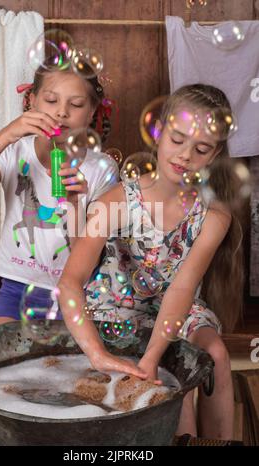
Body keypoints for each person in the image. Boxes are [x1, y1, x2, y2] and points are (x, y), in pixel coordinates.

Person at [57, 84, 244, 440]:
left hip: (176, 305)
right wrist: (96, 354)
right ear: (158, 132)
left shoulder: (213, 216)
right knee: (176, 400)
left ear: (214, 154)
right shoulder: (115, 200)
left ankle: (219, 441)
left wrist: (151, 358)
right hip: (115, 307)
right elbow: (69, 282)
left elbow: (182, 289)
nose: (185, 155)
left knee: (215, 352)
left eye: (201, 148)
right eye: (177, 139)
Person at [0, 62, 119, 331]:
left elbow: (88, 254)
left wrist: (74, 204)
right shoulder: (14, 153)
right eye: (51, 100)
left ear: (92, 111)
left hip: (77, 295)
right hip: (16, 293)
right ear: (32, 101)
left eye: (76, 104)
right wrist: (6, 135)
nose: (61, 112)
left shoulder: (100, 168)